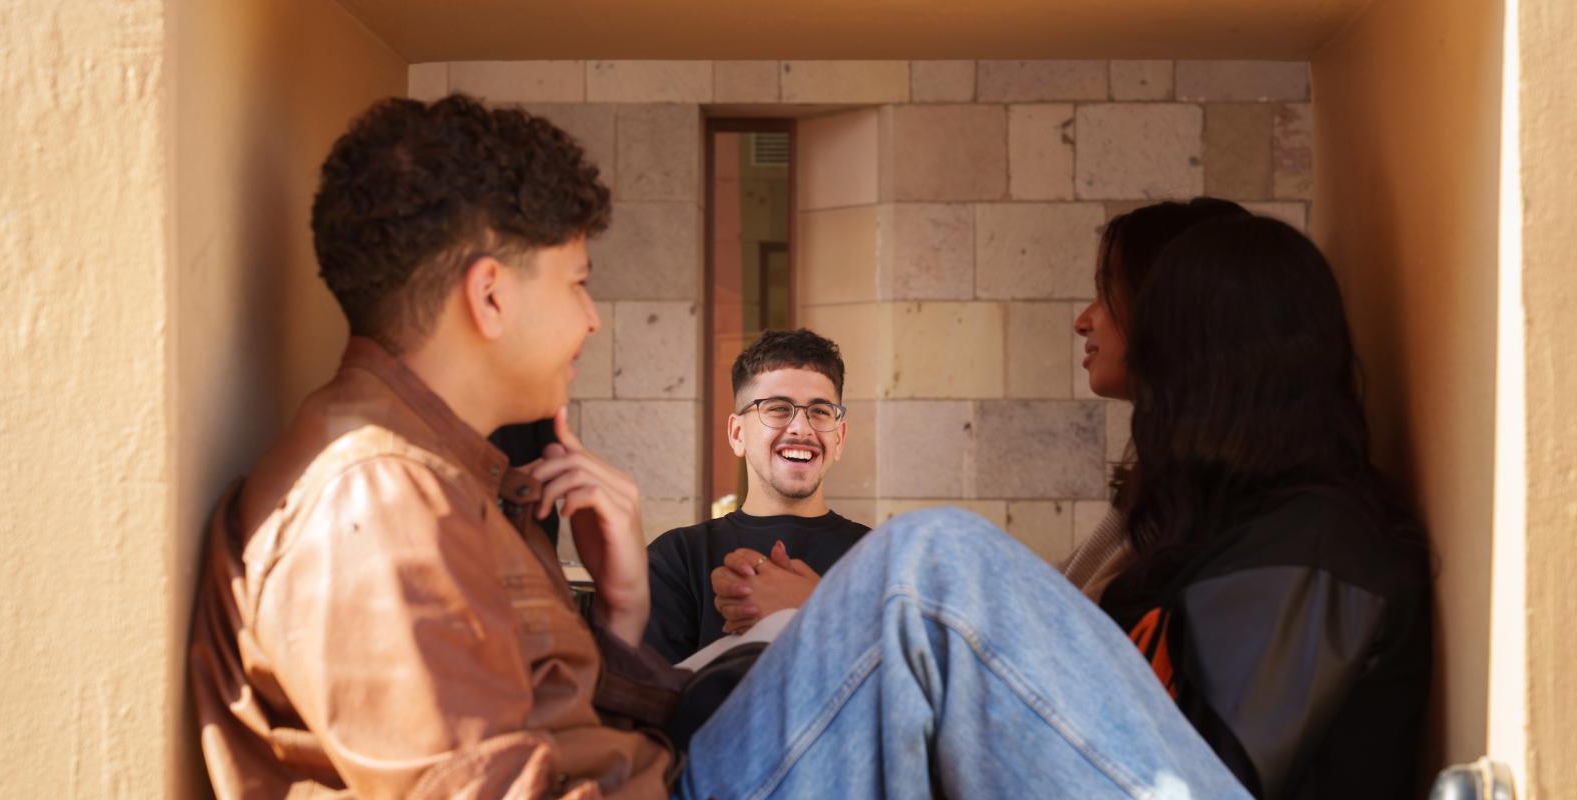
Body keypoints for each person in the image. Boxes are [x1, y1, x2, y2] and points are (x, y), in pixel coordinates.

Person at [187, 93, 1251, 798]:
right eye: (580, 282)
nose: (594, 319)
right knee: (929, 574)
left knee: (923, 576)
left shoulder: (439, 478)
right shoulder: (369, 503)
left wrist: (617, 619)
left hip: (678, 762)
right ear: (490, 293)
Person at [1093, 214, 1433, 798]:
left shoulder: (1317, 552)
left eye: (1157, 361)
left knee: (935, 556)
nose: (1148, 403)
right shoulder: (1240, 536)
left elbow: (1195, 786)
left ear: (1201, 374)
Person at [644, 329, 870, 664]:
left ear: (840, 437)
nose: (802, 428)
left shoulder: (879, 559)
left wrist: (808, 609)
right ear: (738, 435)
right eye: (779, 409)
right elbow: (655, 702)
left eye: (820, 412)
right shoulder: (677, 559)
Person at [1066, 198, 1249, 600]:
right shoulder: (1163, 479)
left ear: (1168, 309)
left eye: (1105, 291)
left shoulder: (1218, 509)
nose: (1082, 321)